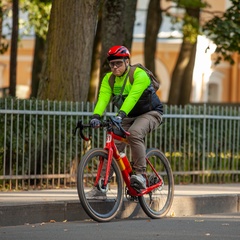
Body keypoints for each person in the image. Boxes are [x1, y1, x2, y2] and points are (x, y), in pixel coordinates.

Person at [88, 45, 163, 198]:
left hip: (150, 113)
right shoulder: (109, 79)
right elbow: (102, 99)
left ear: (127, 62)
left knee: (134, 133)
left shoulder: (139, 75)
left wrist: (120, 115)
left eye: (118, 63)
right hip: (127, 116)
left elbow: (132, 97)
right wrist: (96, 116)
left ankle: (141, 175)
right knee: (113, 143)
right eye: (112, 64)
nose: (115, 67)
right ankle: (102, 184)